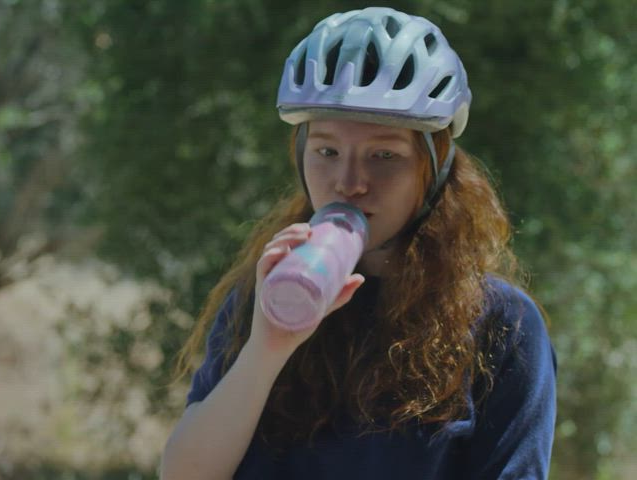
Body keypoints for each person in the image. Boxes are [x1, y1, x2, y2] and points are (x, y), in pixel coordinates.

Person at [160, 7, 557, 480]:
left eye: (384, 155)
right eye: (326, 151)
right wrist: (268, 348)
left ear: (436, 166)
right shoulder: (261, 298)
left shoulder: (503, 325)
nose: (349, 183)